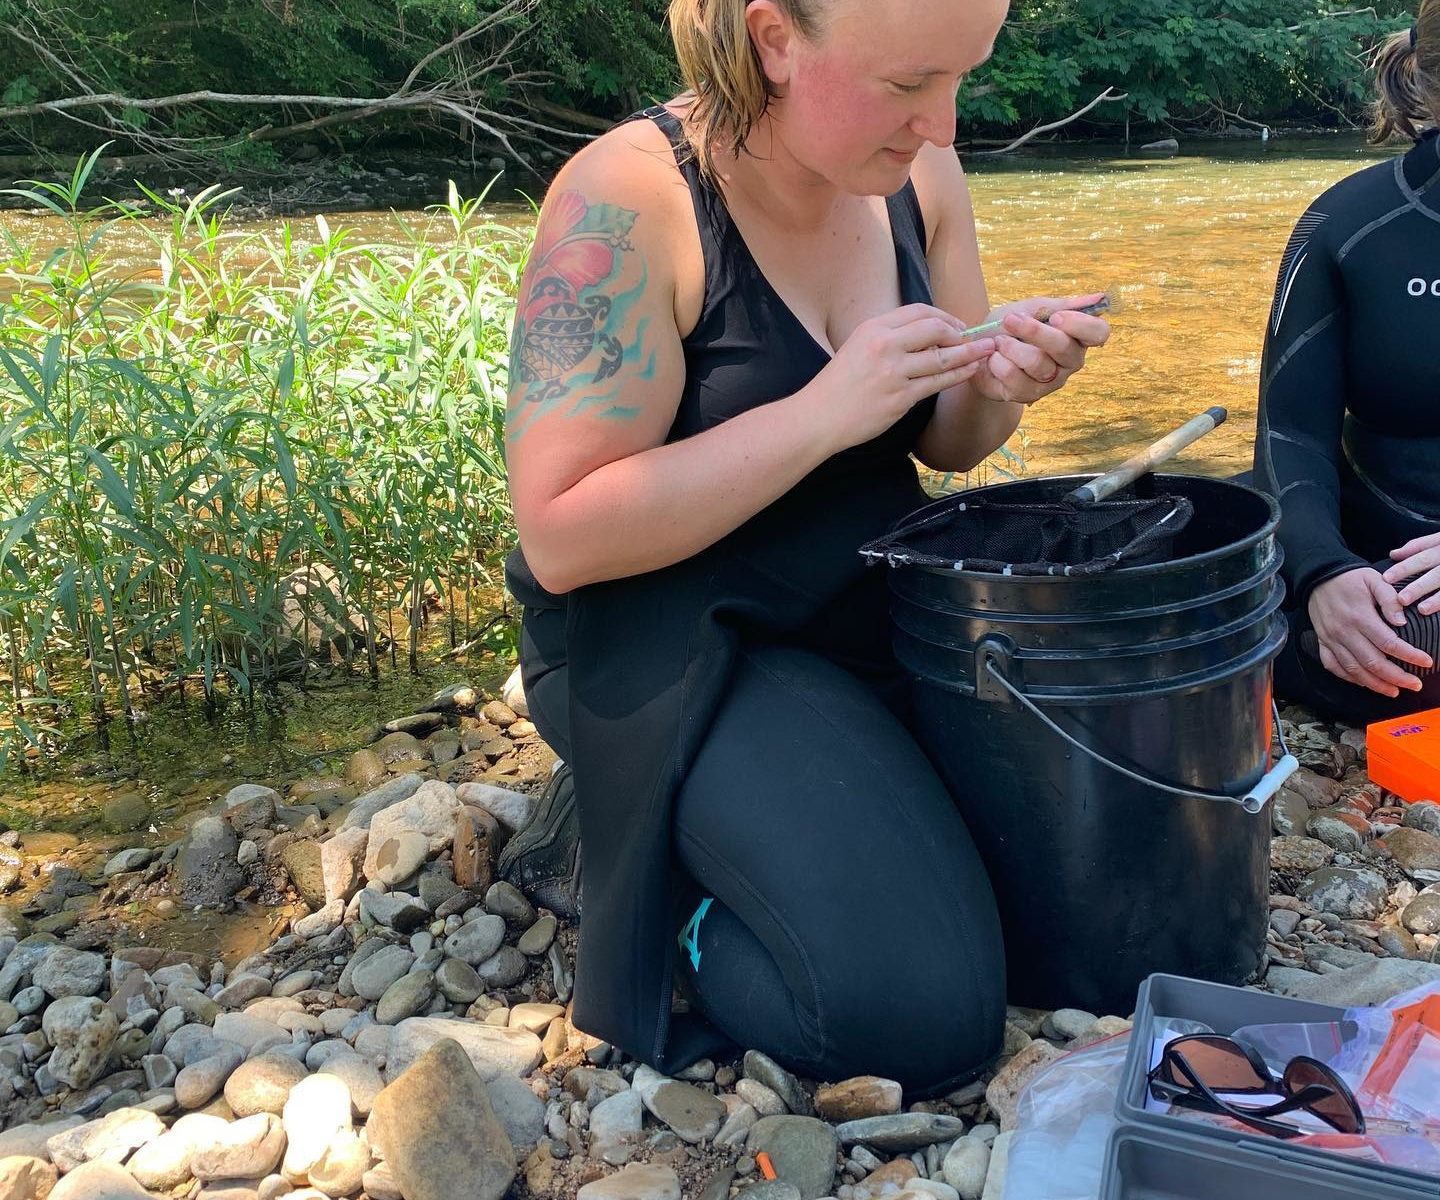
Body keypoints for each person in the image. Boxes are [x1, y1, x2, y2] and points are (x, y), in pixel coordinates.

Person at [498, 0, 1109, 1093]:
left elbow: (952, 442)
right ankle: (634, 862)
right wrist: (826, 408)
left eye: (963, 76)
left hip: (861, 595)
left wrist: (1001, 385)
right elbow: (561, 533)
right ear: (774, 37)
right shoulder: (629, 198)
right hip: (664, 636)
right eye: (909, 84)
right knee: (911, 1019)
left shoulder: (920, 177)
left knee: (1086, 907)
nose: (946, 124)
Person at [1254, 4, 1440, 728]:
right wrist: (1323, 569)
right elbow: (1289, 433)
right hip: (1383, 554)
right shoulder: (1348, 226)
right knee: (1395, 650)